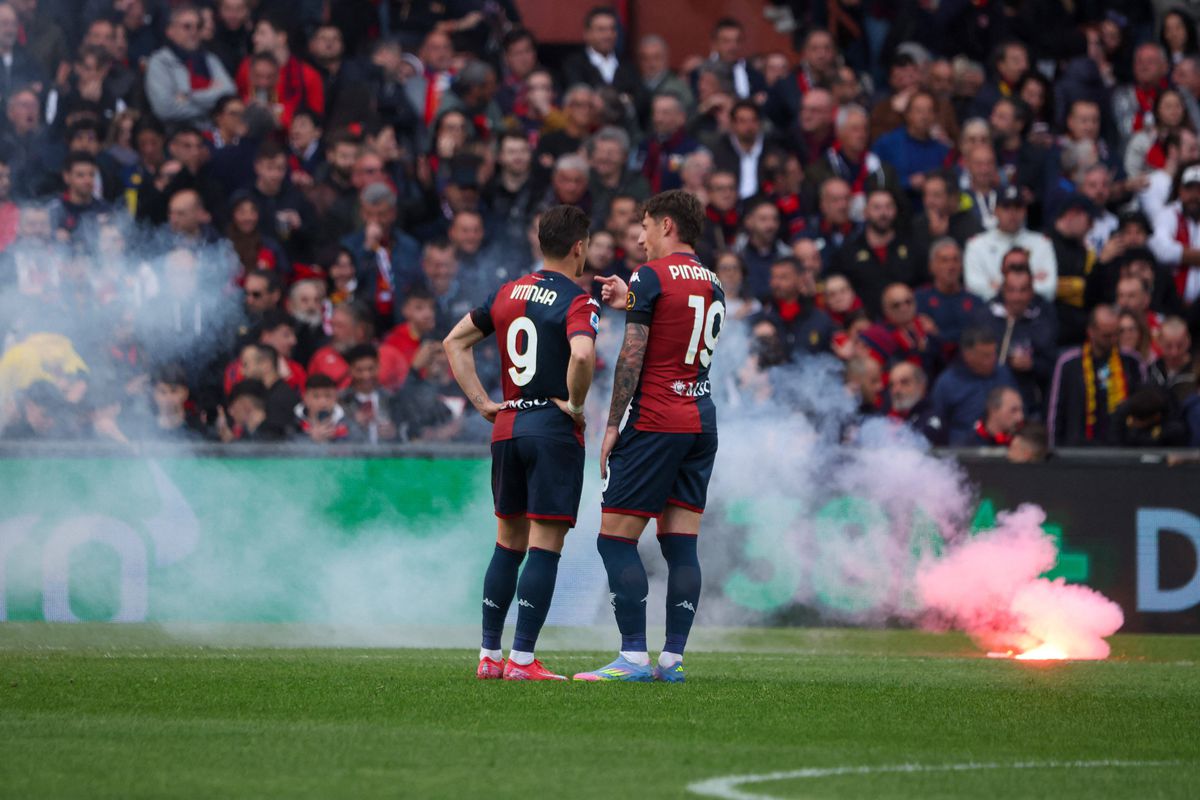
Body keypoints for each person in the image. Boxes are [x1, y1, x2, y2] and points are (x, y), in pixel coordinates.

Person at [442, 205, 598, 681]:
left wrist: (482, 401)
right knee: (544, 546)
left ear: (540, 242)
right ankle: (523, 660)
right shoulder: (578, 300)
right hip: (551, 430)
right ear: (578, 247)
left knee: (507, 544)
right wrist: (574, 404)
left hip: (507, 427)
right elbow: (583, 353)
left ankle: (489, 656)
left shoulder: (508, 292)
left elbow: (454, 342)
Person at [578, 189, 724, 683]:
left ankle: (634, 657)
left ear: (666, 225)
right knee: (681, 544)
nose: (639, 238)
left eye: (643, 226)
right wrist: (632, 302)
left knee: (614, 541)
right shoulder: (714, 282)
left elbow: (634, 355)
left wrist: (613, 423)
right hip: (700, 422)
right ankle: (673, 659)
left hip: (656, 421)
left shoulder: (652, 276)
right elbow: (677, 335)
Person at [1047, 305, 1145, 447]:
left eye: (1116, 334)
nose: (1113, 340)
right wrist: (1054, 449)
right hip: (1077, 452)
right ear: (1091, 332)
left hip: (1122, 450)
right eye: (1106, 335)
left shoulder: (1132, 362)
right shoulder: (1069, 363)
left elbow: (1143, 405)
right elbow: (1055, 411)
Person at [829, 189, 925, 320]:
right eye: (877, 208)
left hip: (910, 319)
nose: (883, 213)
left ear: (895, 210)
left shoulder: (912, 246)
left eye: (888, 207)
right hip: (866, 324)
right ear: (865, 212)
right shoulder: (848, 252)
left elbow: (924, 285)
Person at [144, 5, 236, 128]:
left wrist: (188, 96)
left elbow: (229, 93)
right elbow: (165, 109)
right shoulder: (159, 62)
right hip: (176, 135)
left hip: (212, 132)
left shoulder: (210, 59)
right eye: (187, 27)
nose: (194, 32)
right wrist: (213, 105)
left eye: (198, 27)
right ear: (170, 31)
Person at [963, 185, 1058, 302]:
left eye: (1018, 207)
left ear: (1025, 211)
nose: (1013, 213)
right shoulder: (976, 245)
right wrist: (1030, 282)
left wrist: (997, 285)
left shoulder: (1042, 243)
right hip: (989, 314)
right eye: (1006, 207)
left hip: (1034, 312)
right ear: (996, 211)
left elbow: (1049, 289)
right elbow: (974, 288)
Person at [930, 326, 1018, 446]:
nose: (992, 360)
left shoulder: (1003, 373)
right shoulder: (947, 383)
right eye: (986, 356)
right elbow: (937, 422)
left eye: (994, 354)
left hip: (1004, 446)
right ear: (968, 355)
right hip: (965, 451)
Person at [915, 238, 983, 351]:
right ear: (932, 266)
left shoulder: (976, 301)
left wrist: (938, 334)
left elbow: (976, 338)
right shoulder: (920, 299)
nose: (951, 266)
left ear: (961, 266)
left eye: (955, 260)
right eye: (944, 260)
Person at [886, 361, 945, 445]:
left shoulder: (932, 418)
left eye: (904, 382)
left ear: (921, 386)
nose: (896, 390)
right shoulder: (886, 418)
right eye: (892, 385)